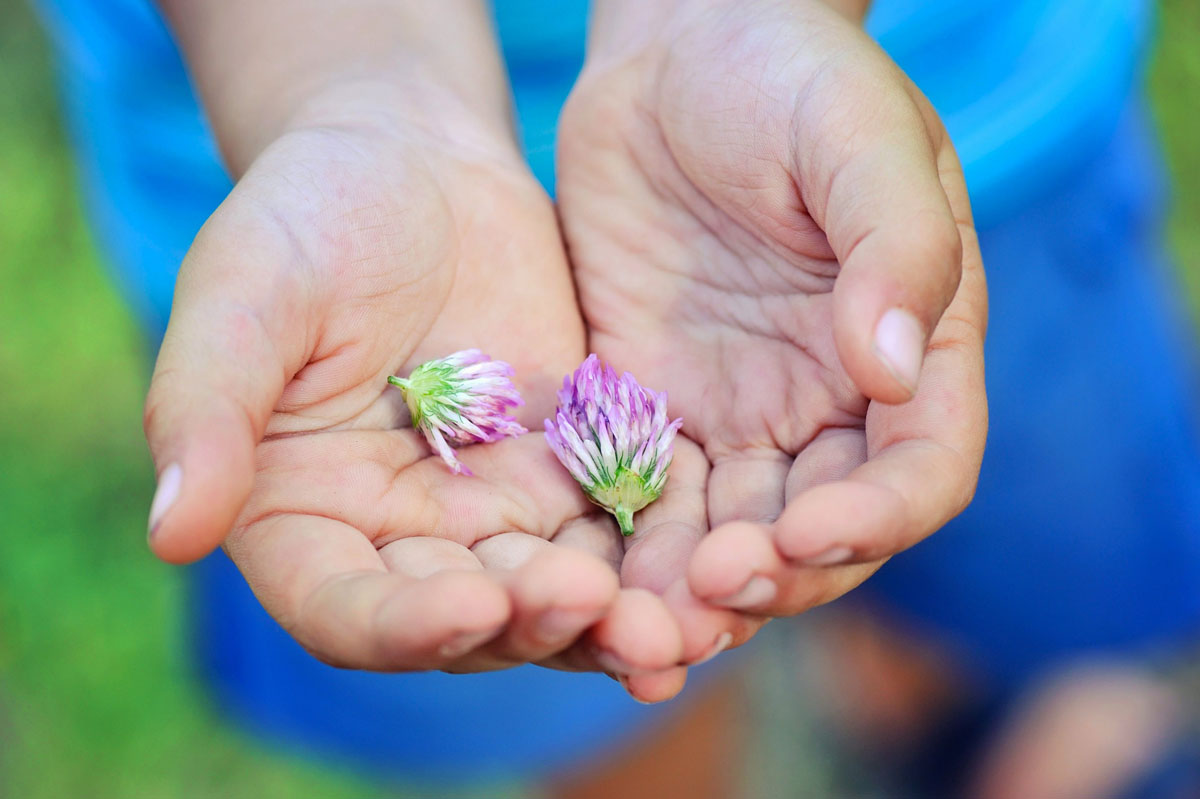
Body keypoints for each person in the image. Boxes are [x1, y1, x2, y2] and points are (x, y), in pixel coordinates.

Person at [32, 0, 1198, 795]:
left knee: (922, 485)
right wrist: (352, 90)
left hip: (940, 99)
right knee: (561, 657)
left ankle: (938, 713)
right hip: (284, 98)